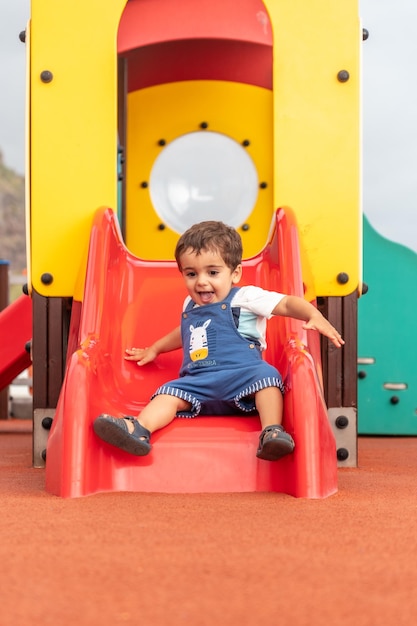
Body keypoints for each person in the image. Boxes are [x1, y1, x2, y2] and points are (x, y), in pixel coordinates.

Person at [94, 221, 344, 461]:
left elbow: (286, 303)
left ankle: (272, 431)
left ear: (235, 273)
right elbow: (185, 332)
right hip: (199, 383)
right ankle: (138, 429)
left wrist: (313, 314)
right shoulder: (189, 305)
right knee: (167, 394)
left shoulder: (245, 298)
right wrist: (155, 349)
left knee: (268, 378)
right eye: (191, 273)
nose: (201, 281)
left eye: (212, 272)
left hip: (243, 377)